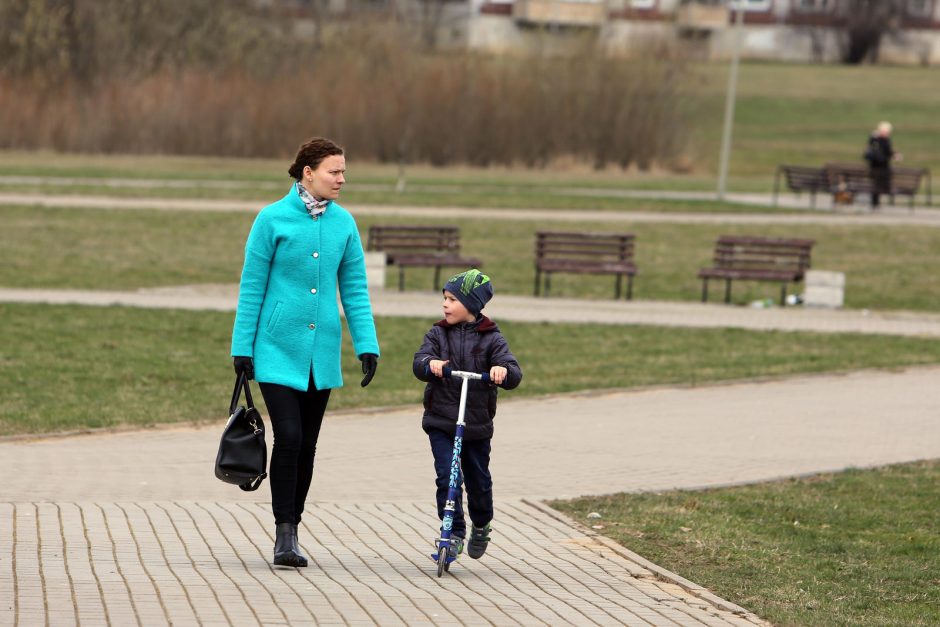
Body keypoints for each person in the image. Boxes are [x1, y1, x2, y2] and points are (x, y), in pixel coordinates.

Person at [231, 137, 380, 568]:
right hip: (275, 348)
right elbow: (252, 286)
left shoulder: (344, 224)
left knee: (308, 445)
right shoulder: (271, 219)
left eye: (344, 172)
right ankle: (283, 533)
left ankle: (293, 528)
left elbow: (354, 289)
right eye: (335, 171)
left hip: (322, 353)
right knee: (290, 437)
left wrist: (366, 344)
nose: (342, 179)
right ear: (308, 172)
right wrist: (243, 347)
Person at [412, 269, 522, 561]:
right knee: (447, 476)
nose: (445, 305)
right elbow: (419, 362)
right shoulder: (438, 333)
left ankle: (482, 522)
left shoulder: (492, 339)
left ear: (472, 305)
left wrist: (502, 372)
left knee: (478, 481)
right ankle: (454, 531)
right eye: (444, 299)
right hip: (441, 420)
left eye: (452, 299)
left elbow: (513, 373)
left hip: (475, 425)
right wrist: (431, 364)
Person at [864, 121, 901, 209]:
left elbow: (870, 150)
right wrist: (894, 155)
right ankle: (876, 203)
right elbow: (888, 151)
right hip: (882, 168)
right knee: (879, 184)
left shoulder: (873, 139)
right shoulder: (883, 140)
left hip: (874, 167)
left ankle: (875, 203)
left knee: (875, 184)